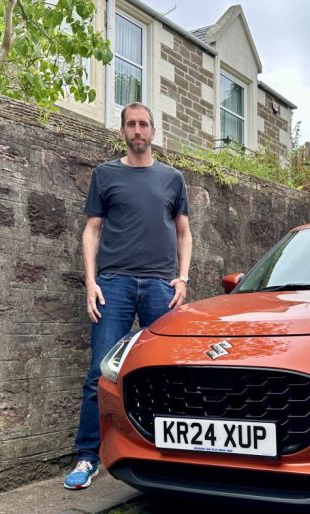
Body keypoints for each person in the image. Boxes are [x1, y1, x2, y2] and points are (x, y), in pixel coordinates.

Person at [64, 102, 192, 489]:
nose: (138, 130)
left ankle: (169, 452)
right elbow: (92, 230)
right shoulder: (105, 174)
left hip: (159, 287)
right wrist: (91, 282)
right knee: (98, 374)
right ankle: (88, 457)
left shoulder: (172, 179)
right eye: (131, 124)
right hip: (114, 285)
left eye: (144, 124)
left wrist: (182, 279)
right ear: (122, 131)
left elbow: (184, 232)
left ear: (153, 131)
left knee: (165, 374)